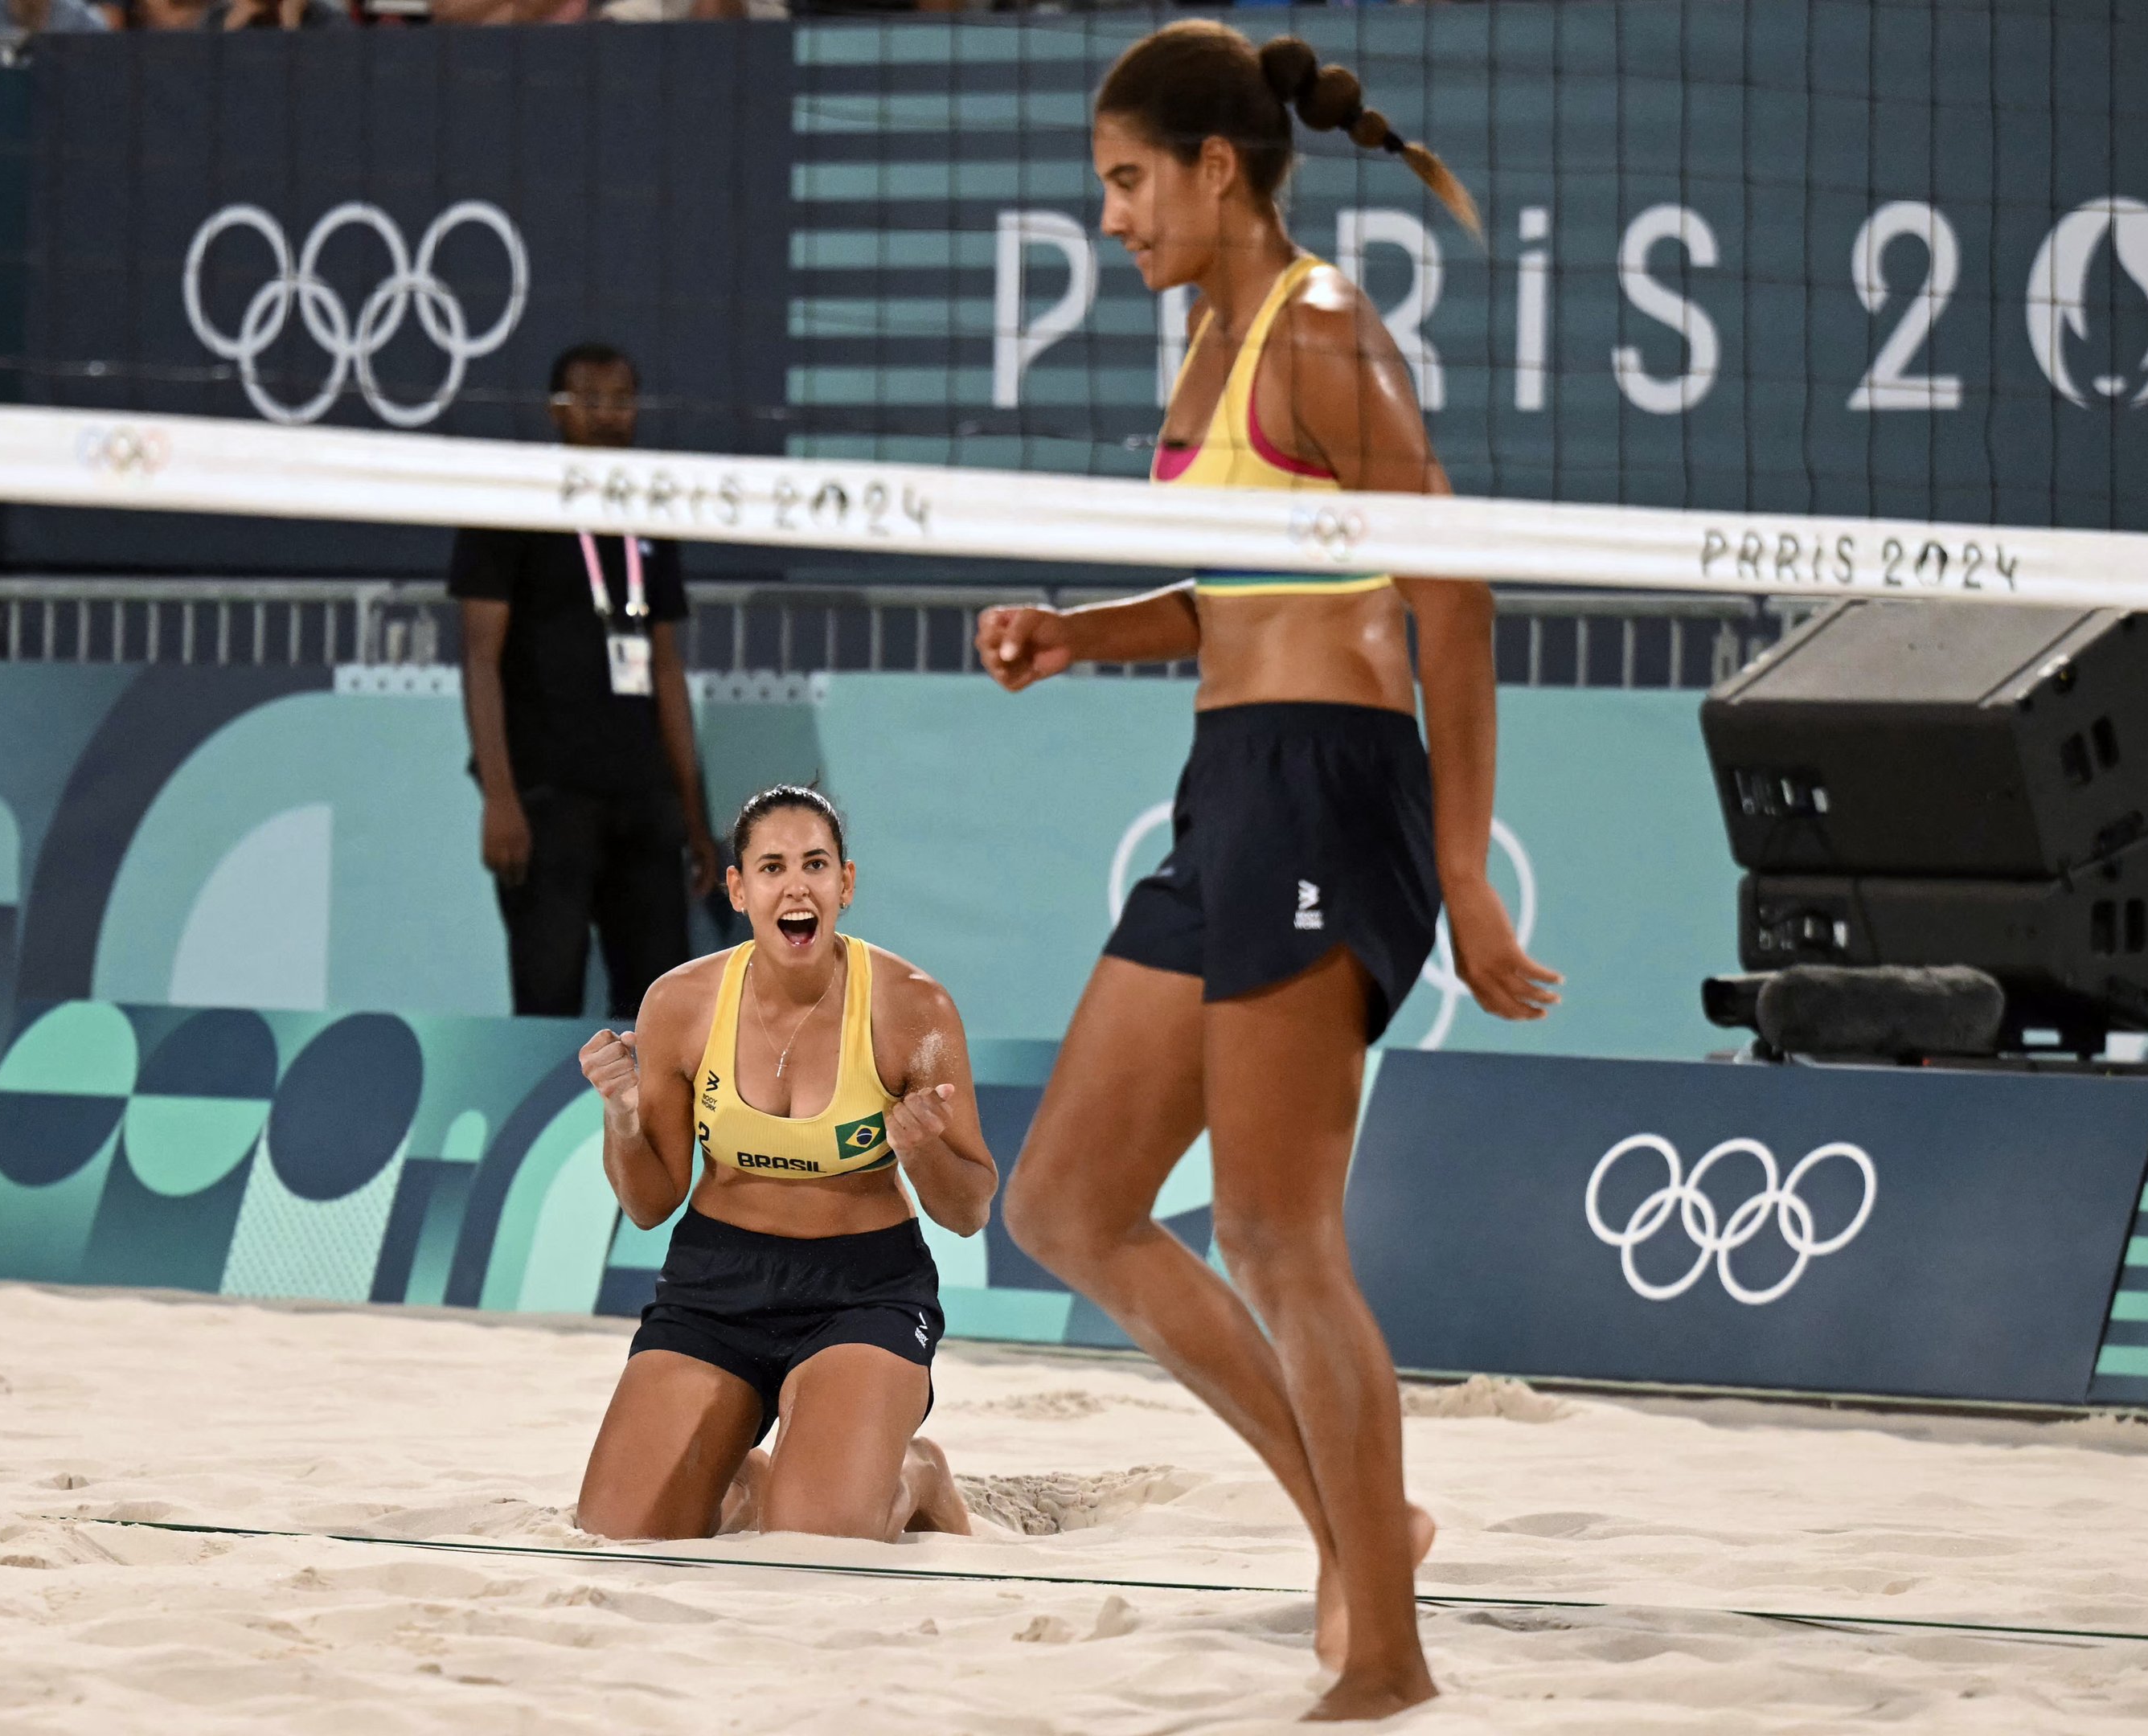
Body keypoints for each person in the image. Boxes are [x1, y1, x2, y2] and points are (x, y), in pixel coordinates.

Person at [974, 21, 1559, 1723]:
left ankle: (1385, 1656)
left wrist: (1464, 870)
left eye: (1129, 183)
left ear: (1216, 170)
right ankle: (1365, 1526)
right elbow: (1238, 585)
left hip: (1332, 789)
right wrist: (1082, 637)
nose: (1112, 221)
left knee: (1277, 1235)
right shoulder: (1208, 340)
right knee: (1068, 1203)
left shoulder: (1316, 333)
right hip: (1227, 783)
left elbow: (1452, 584)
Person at [572, 785, 993, 1542]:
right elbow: (648, 1204)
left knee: (817, 1540)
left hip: (864, 1291)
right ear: (739, 889)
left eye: (815, 864)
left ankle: (912, 1473)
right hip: (713, 1285)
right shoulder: (680, 1003)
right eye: (771, 867)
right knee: (620, 1534)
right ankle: (763, 1473)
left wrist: (922, 1149)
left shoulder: (910, 1006)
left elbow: (969, 1211)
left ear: (846, 884)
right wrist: (623, 1121)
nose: (796, 885)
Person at [453, 342, 722, 1020]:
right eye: (591, 401)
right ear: (556, 410)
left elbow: (665, 667)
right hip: (548, 801)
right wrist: (501, 798)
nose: (609, 416)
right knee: (547, 1002)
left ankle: (649, 1132)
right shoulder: (511, 502)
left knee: (660, 1018)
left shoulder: (647, 510)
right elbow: (480, 658)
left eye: (622, 400)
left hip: (643, 803)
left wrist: (694, 817)